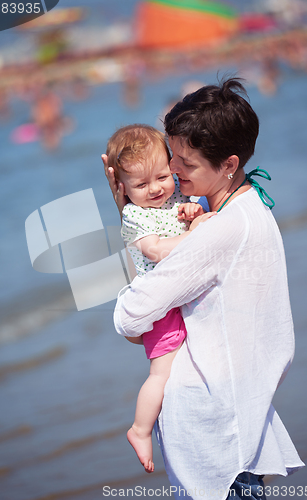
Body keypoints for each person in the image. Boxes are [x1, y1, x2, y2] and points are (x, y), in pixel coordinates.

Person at [103, 77, 304, 500]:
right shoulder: (251, 207)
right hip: (239, 421)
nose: (173, 172)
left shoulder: (214, 235)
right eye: (172, 156)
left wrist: (128, 220)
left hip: (214, 438)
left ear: (228, 164)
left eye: (185, 164)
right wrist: (135, 216)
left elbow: (129, 319)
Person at [104, 124, 215, 473]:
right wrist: (196, 234)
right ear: (122, 188)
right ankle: (140, 429)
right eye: (140, 184)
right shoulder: (133, 215)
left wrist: (192, 214)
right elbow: (155, 250)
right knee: (161, 373)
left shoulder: (176, 198)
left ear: (171, 167)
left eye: (162, 177)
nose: (154, 189)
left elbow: (184, 217)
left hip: (178, 297)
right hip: (159, 305)